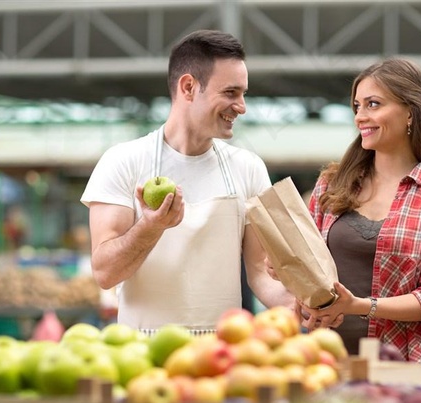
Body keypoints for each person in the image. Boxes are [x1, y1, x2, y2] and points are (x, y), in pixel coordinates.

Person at [80, 30, 293, 332]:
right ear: (189, 87)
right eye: (231, 93)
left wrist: (297, 305)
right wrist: (150, 226)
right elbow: (105, 273)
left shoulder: (249, 168)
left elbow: (259, 272)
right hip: (142, 355)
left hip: (222, 354)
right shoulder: (123, 161)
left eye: (244, 94)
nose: (242, 106)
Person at [295, 57, 421, 363]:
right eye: (357, 106)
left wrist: (360, 306)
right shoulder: (331, 185)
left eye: (373, 104)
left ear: (409, 113)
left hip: (403, 365)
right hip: (323, 361)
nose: (361, 116)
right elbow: (308, 269)